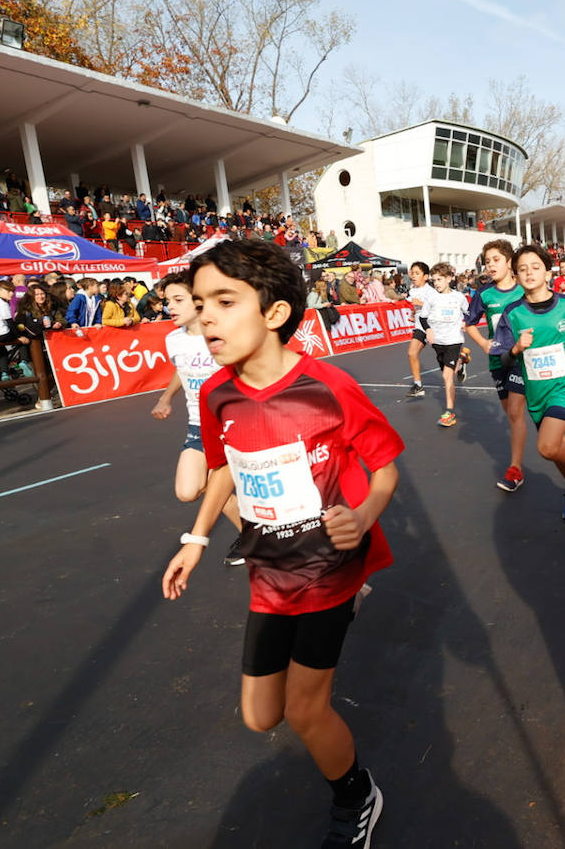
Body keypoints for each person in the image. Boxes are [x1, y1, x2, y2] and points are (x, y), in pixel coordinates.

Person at [161, 239, 400, 849]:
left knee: (304, 710)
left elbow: (385, 466)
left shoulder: (328, 385)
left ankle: (357, 798)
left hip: (329, 568)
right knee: (258, 715)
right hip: (269, 575)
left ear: (274, 314)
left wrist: (366, 514)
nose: (204, 314)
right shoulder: (217, 394)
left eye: (224, 300)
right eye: (200, 301)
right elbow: (223, 471)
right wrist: (196, 538)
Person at [492, 244, 565, 521]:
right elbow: (502, 359)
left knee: (546, 447)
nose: (529, 272)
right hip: (536, 391)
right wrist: (517, 349)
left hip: (564, 387)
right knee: (555, 449)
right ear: (515, 276)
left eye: (535, 267)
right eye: (522, 269)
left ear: (548, 272)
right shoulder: (512, 313)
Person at [151, 273, 245, 567]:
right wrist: (166, 398)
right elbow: (181, 368)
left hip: (234, 424)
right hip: (199, 425)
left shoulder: (220, 334)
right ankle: (253, 530)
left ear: (198, 301)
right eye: (168, 301)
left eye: (178, 300)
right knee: (188, 490)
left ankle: (257, 537)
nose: (171, 307)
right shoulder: (173, 340)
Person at [464, 238, 527, 491]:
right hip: (497, 360)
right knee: (512, 415)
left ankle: (516, 469)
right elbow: (469, 323)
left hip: (524, 359)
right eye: (487, 261)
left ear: (509, 262)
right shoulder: (484, 294)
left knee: (515, 412)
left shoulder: (525, 289)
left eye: (496, 260)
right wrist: (482, 343)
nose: (491, 265)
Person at [423, 262, 470, 427]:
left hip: (454, 340)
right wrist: (428, 330)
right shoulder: (431, 297)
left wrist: (466, 323)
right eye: (434, 280)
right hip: (438, 342)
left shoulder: (459, 297)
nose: (436, 283)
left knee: (446, 377)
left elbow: (469, 313)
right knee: (450, 373)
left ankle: (449, 412)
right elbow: (423, 317)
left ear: (449, 278)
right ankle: (462, 359)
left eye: (439, 279)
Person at [404, 262, 434, 398]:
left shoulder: (431, 292)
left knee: (445, 359)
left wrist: (421, 304)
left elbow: (437, 308)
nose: (413, 276)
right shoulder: (412, 291)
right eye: (412, 273)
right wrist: (412, 314)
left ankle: (461, 358)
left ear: (426, 276)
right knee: (411, 353)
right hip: (420, 327)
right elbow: (415, 308)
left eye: (417, 273)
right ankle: (418, 385)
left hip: (433, 327)